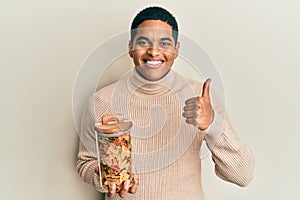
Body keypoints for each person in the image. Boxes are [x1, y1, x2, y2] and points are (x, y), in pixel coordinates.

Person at [76, 6, 255, 200]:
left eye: (164, 43)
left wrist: (213, 125)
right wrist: (106, 178)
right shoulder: (101, 101)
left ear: (176, 50)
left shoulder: (201, 98)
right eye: (144, 42)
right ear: (130, 48)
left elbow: (243, 175)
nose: (154, 52)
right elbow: (85, 162)